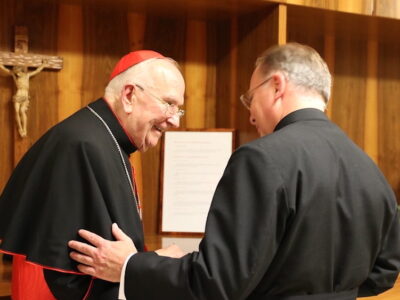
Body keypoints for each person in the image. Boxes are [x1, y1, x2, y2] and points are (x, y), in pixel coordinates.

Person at [69, 43, 400, 300]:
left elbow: (217, 282)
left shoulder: (262, 158)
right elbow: (385, 270)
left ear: (277, 85)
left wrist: (129, 265)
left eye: (250, 98)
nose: (252, 115)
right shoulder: (368, 167)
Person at [0, 50, 185, 299]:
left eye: (178, 109)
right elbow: (78, 278)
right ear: (129, 95)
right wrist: (156, 263)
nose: (175, 121)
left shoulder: (102, 140)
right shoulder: (82, 146)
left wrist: (143, 263)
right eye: (169, 103)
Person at [0, 61, 46, 137]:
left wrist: (43, 65)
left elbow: (37, 71)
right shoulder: (14, 76)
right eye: (16, 72)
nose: (17, 74)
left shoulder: (27, 75)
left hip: (25, 95)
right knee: (16, 111)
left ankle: (25, 129)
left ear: (21, 71)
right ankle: (20, 128)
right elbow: (5, 70)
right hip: (18, 94)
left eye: (17, 72)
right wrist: (0, 64)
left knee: (22, 111)